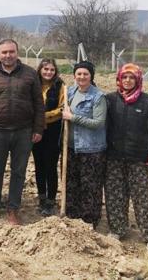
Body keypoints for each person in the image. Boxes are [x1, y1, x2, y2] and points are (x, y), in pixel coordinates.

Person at [0, 39, 44, 226]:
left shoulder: (30, 74)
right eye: (4, 52)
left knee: (19, 171)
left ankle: (13, 209)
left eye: (11, 52)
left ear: (17, 52)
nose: (8, 55)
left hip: (24, 131)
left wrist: (38, 128)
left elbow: (39, 103)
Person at [104, 63, 148, 253]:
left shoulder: (146, 102)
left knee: (142, 197)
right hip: (114, 156)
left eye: (132, 78)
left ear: (138, 80)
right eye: (124, 77)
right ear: (119, 79)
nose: (127, 81)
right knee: (115, 195)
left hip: (138, 157)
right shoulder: (110, 100)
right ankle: (117, 229)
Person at [62, 61, 106, 228]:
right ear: (74, 76)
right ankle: (72, 216)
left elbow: (98, 123)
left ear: (91, 76)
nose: (81, 77)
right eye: (79, 74)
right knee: (72, 183)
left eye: (85, 74)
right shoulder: (70, 92)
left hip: (91, 149)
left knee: (90, 186)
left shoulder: (98, 96)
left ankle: (89, 220)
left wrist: (73, 118)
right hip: (71, 148)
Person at [31, 59, 65, 216]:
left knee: (50, 165)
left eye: (51, 69)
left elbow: (62, 108)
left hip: (53, 130)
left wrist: (43, 116)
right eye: (45, 69)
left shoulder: (60, 86)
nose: (48, 72)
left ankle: (51, 200)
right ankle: (42, 197)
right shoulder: (33, 85)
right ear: (40, 70)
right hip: (36, 130)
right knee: (39, 165)